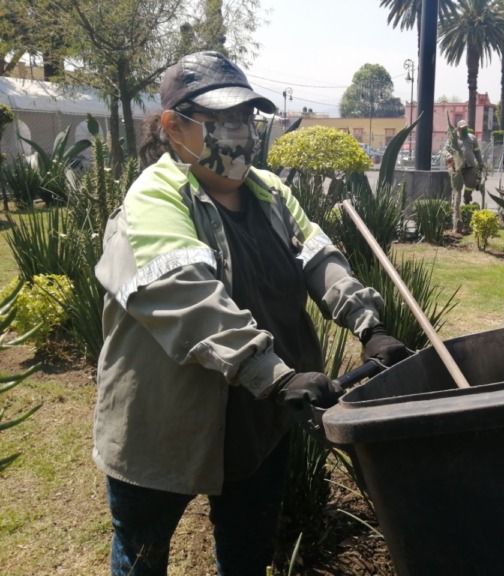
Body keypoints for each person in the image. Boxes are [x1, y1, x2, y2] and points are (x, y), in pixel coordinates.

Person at [92, 50, 409, 576]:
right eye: (220, 120)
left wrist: (368, 324)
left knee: (247, 552)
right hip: (164, 421)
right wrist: (278, 376)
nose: (239, 132)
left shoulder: (269, 191)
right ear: (174, 125)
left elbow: (318, 256)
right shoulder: (154, 200)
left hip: (259, 421)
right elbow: (188, 299)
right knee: (143, 554)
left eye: (246, 117)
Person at [455, 119, 485, 204]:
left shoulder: (472, 137)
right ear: (458, 129)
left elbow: (477, 151)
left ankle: (467, 198)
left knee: (471, 184)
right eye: (462, 128)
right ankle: (455, 206)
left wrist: (481, 163)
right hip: (457, 168)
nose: (464, 130)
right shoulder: (454, 138)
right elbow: (447, 150)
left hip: (470, 166)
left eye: (466, 128)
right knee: (457, 187)